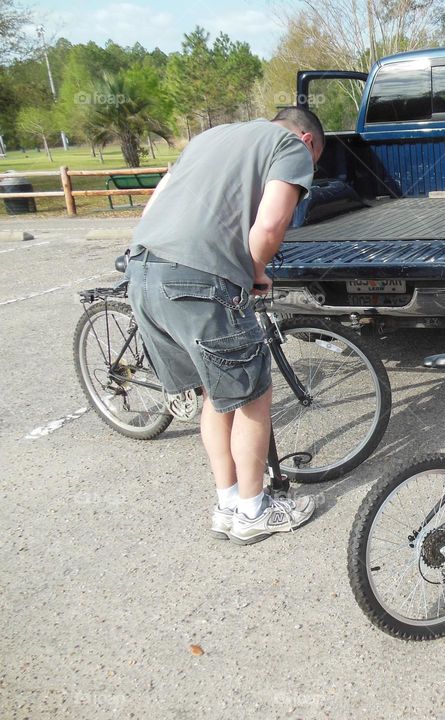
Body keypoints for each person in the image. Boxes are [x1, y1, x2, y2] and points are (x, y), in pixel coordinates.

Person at [126, 108, 325, 545]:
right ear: (308, 140)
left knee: (215, 397)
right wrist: (256, 270)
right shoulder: (290, 147)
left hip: (143, 272)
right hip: (198, 278)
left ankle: (228, 503)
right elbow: (271, 224)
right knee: (253, 397)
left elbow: (157, 199)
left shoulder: (208, 137)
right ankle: (254, 512)